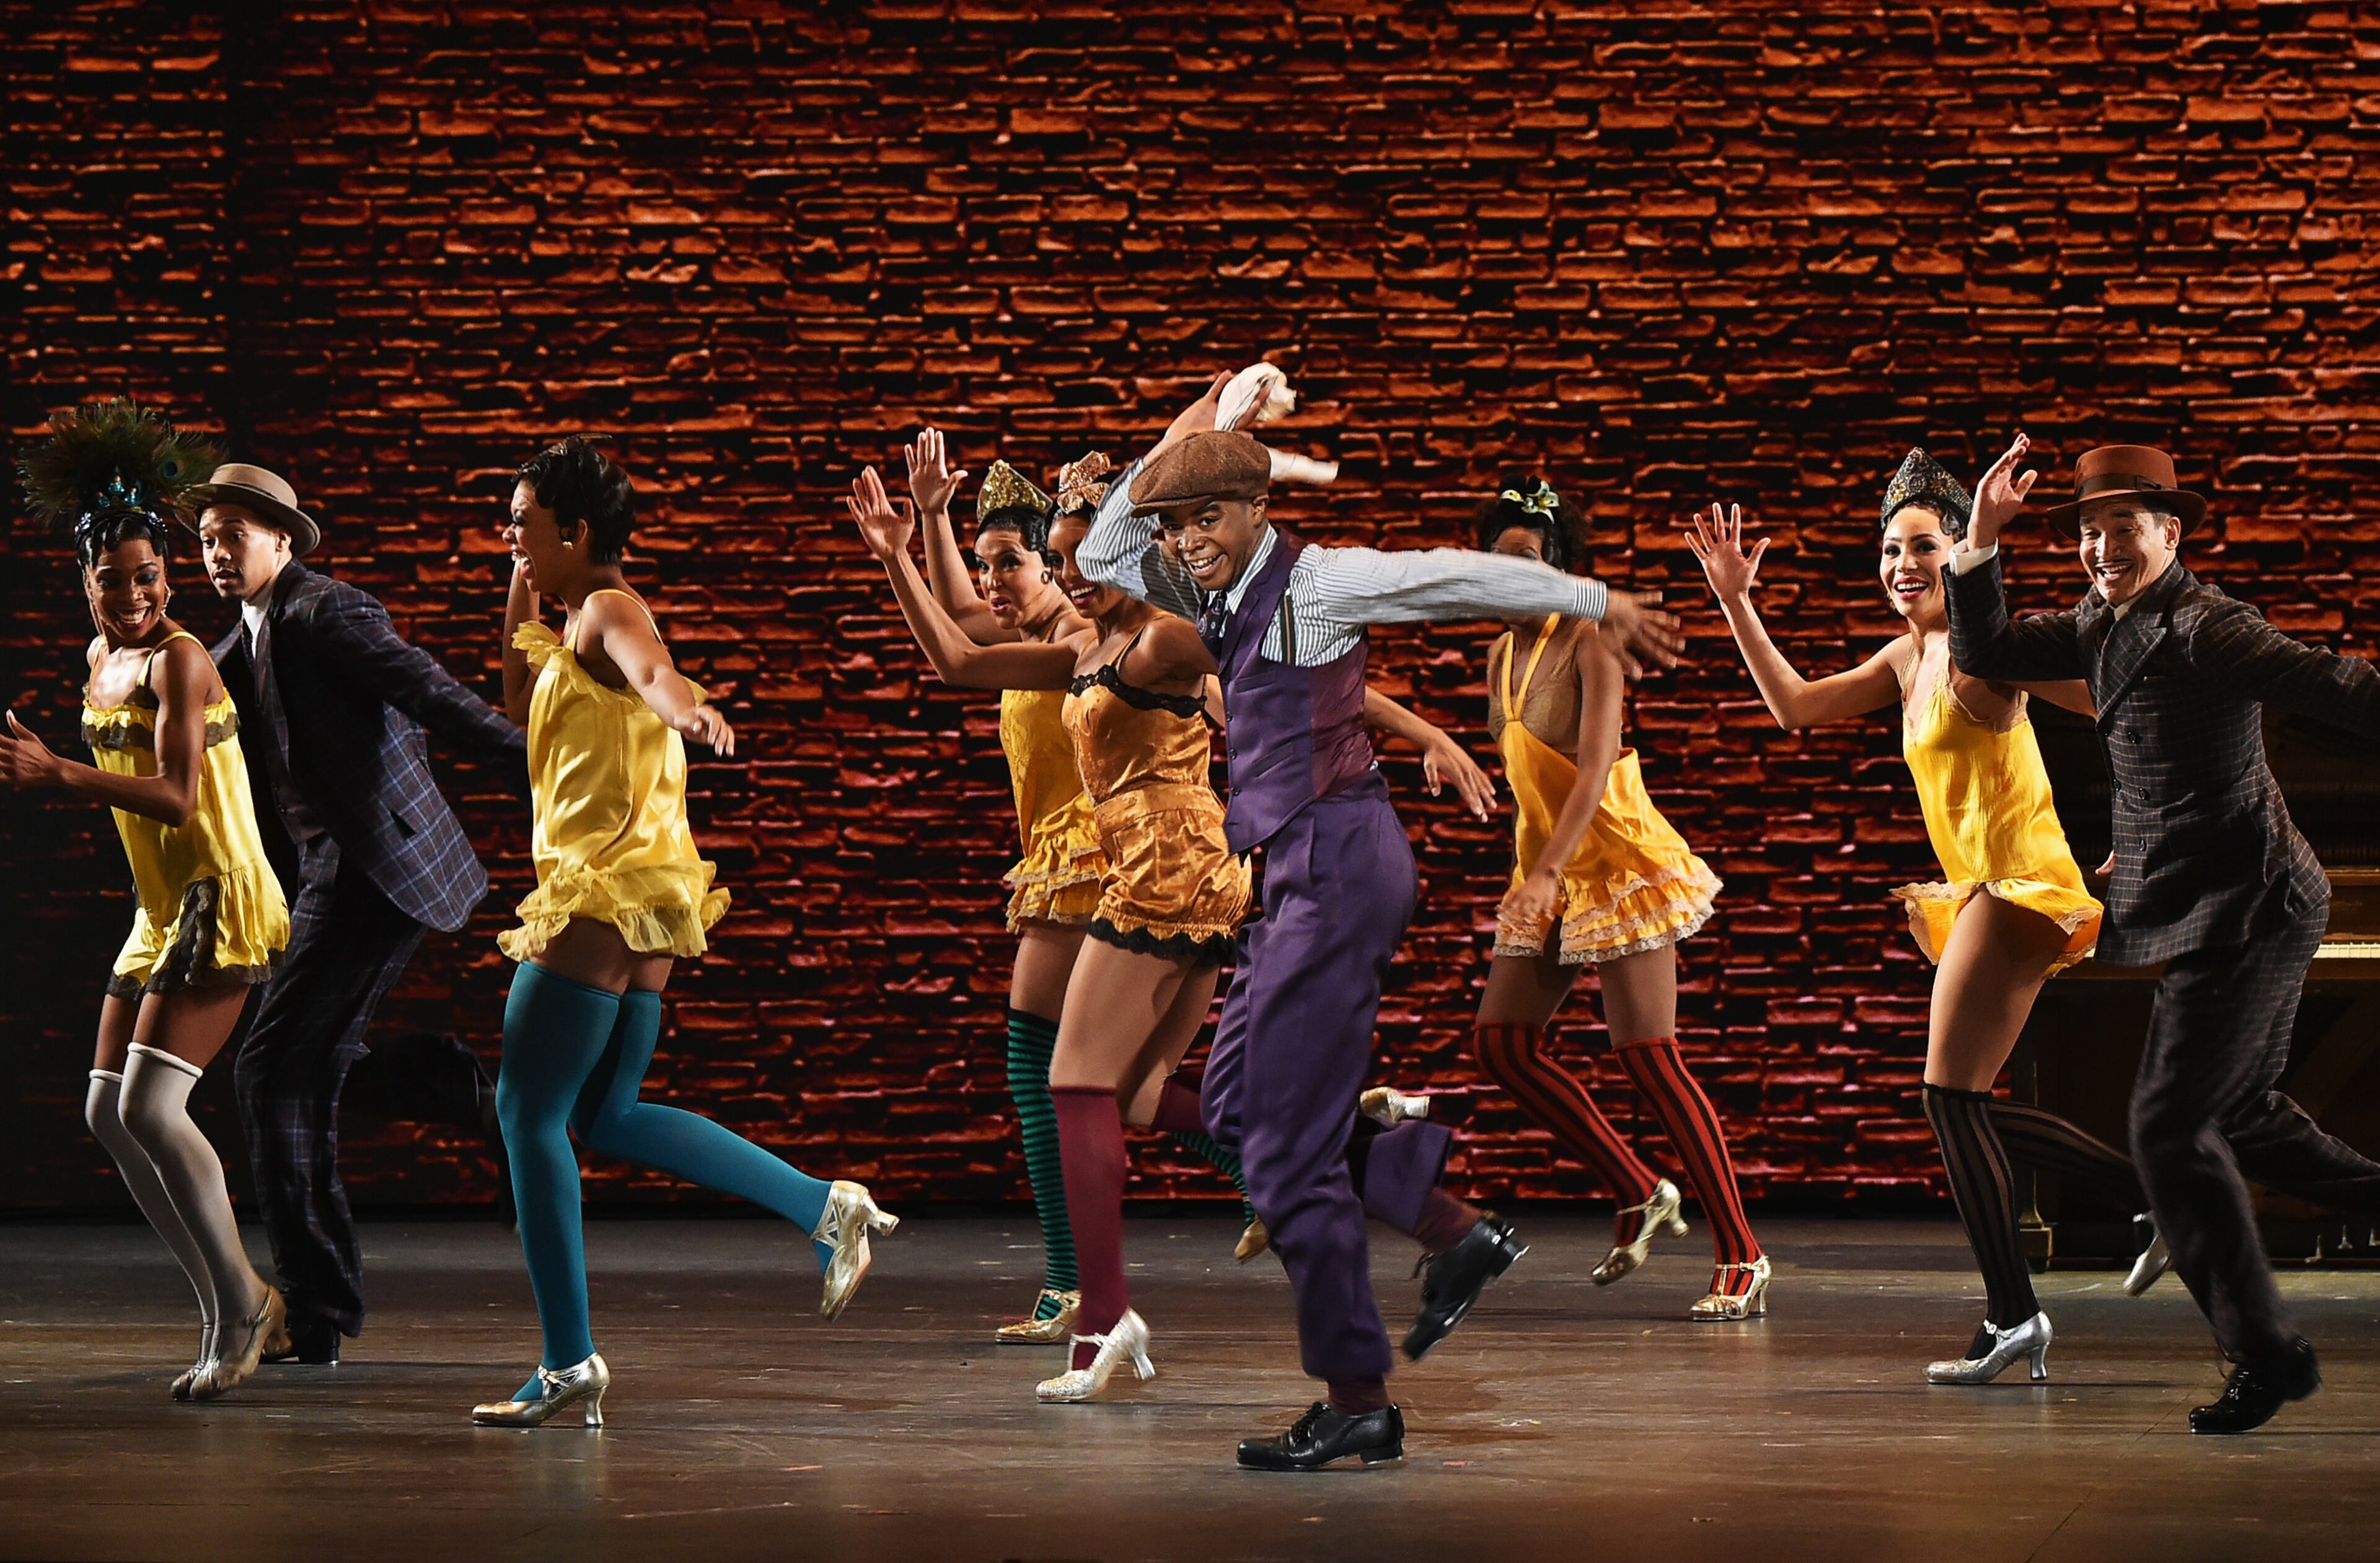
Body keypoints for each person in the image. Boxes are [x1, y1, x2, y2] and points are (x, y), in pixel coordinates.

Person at [1079, 377, 1683, 1471]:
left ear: (1256, 509)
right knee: (1227, 1099)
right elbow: (1101, 544)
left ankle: (1357, 1396)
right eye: (1180, 526)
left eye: (1207, 517)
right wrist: (1216, 410)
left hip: (1341, 862)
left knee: (1279, 1142)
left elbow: (1447, 577)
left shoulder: (1321, 583)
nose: (1187, 542)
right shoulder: (1199, 580)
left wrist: (1595, 600)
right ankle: (1454, 1230)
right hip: (1289, 871)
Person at [850, 455, 1492, 1405]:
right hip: (1183, 875)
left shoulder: (1157, 643)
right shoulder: (1085, 649)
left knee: (1073, 1080)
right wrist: (897, 557)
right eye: (1062, 562)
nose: (1072, 579)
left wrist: (1424, 733)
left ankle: (1102, 1319)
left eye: (1083, 560)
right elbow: (957, 662)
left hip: (1167, 871)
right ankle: (1441, 1217)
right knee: (1145, 1096)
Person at [1690, 449, 2169, 1384]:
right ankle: (2150, 1199)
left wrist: (2139, 823)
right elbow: (1793, 708)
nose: (1901, 565)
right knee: (1962, 1106)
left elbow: (2127, 701)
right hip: (1982, 890)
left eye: (1921, 546)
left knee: (1947, 1097)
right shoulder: (1907, 655)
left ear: (1960, 553)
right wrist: (1736, 599)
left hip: (2021, 882)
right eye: (1888, 550)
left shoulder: (1995, 649)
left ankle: (2016, 1314)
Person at [1946, 435, 2380, 1432]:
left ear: (2170, 532)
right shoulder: (2103, 621)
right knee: (2244, 1115)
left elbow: (2337, 686)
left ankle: (2266, 1354)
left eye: (2123, 530)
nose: (2102, 550)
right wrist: (1979, 537)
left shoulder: (2205, 624)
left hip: (2256, 903)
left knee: (2165, 1123)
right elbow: (1989, 651)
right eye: (2089, 533)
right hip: (2204, 902)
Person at [472, 436, 897, 1429]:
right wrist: (520, 585)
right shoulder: (571, 615)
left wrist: (691, 710)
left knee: (526, 1113)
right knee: (607, 1118)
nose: (511, 535)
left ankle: (569, 1357)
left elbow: (654, 672)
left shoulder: (613, 611)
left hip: (599, 894)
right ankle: (821, 1206)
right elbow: (514, 705)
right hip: (644, 897)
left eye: (524, 522)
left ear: (576, 531)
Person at [892, 436, 1254, 1342]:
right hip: (1096, 863)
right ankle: (1283, 1161)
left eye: (1027, 562)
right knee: (1123, 1090)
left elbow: (1238, 659)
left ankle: (1082, 1293)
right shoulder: (1057, 641)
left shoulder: (1102, 638)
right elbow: (960, 645)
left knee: (1051, 1071)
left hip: (1111, 863)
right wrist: (922, 529)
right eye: (1014, 563)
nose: (1003, 582)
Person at [196, 459, 522, 1365]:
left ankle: (314, 1306)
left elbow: (426, 689)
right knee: (310, 1069)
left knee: (269, 1071)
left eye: (237, 536)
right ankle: (466, 1096)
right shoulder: (237, 645)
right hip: (323, 875)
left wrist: (537, 767)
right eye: (209, 539)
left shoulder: (322, 609)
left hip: (374, 867)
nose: (220, 553)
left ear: (281, 541)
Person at [4, 399, 290, 1400]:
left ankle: (246, 1303)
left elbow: (175, 796)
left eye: (149, 576)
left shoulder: (180, 657)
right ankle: (226, 1298)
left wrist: (56, 776)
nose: (134, 595)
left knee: (152, 1105)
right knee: (105, 1111)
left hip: (218, 894)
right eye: (113, 579)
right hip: (159, 906)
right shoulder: (100, 661)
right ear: (83, 580)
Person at [1471, 477, 1768, 1320]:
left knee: (1648, 1056)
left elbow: (1594, 769)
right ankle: (1640, 1187)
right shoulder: (1500, 656)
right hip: (1550, 869)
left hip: (1618, 864)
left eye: (1526, 560)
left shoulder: (1591, 640)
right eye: (1494, 564)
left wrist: (1543, 874)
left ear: (1561, 569)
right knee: (1502, 1044)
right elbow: (1532, 781)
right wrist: (1532, 871)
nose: (1508, 576)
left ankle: (1743, 1250)